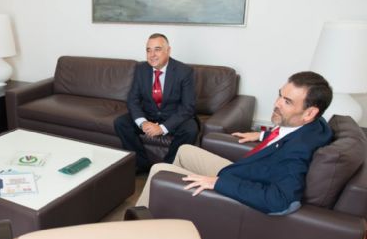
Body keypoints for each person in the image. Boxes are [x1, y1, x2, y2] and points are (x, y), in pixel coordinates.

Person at [136, 71, 333, 215]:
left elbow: (280, 201)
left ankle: (131, 228)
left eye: (287, 101)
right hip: (244, 172)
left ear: (310, 113)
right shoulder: (315, 127)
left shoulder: (299, 150)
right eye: (280, 95)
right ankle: (173, 208)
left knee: (158, 170)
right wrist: (263, 136)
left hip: (236, 185)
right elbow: (287, 135)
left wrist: (219, 183)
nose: (277, 103)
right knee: (185, 150)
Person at [114, 33, 198, 171]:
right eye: (148, 50)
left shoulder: (184, 72)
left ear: (168, 50)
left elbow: (188, 107)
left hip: (174, 115)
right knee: (121, 123)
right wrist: (143, 122)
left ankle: (166, 168)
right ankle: (141, 164)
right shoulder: (141, 69)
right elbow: (132, 100)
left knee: (190, 130)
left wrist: (162, 128)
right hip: (149, 113)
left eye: (157, 49)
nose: (152, 54)